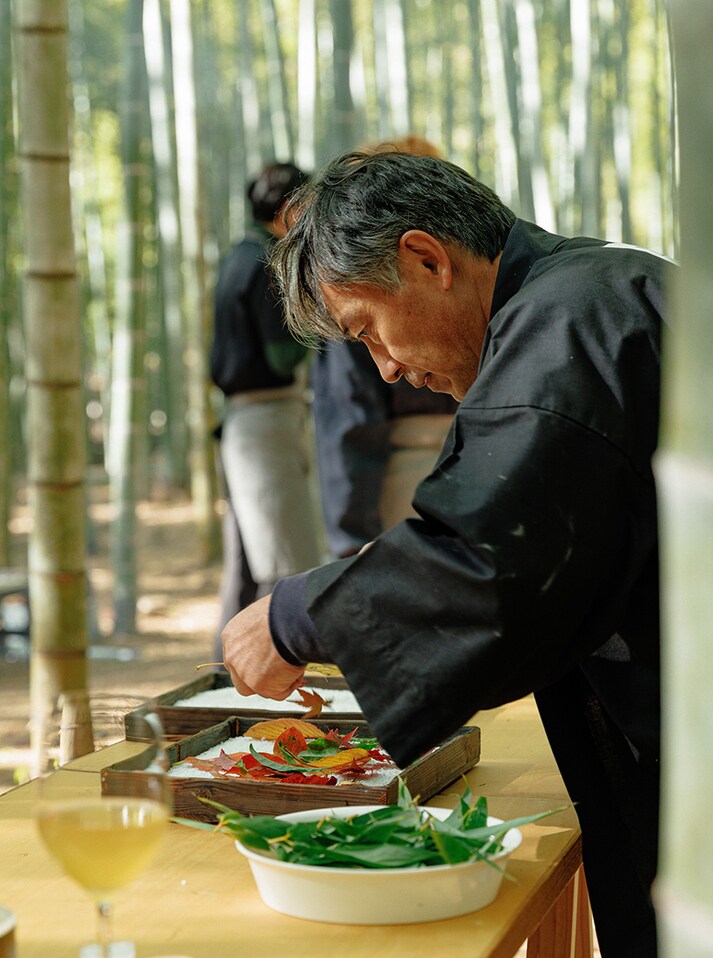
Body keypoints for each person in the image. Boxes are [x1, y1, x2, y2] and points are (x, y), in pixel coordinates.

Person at [221, 150, 673, 958]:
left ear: (426, 258)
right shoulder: (584, 291)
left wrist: (292, 617)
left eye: (365, 330)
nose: (387, 367)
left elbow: (494, 564)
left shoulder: (567, 319)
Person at [311, 135, 457, 558]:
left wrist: (349, 542)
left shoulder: (361, 286)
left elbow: (349, 420)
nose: (390, 365)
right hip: (464, 471)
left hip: (406, 483)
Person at [209, 163, 323, 661]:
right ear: (288, 210)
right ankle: (277, 685)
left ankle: (227, 674)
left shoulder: (237, 256)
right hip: (267, 422)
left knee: (248, 565)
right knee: (285, 566)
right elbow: (281, 354)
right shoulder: (264, 262)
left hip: (244, 421)